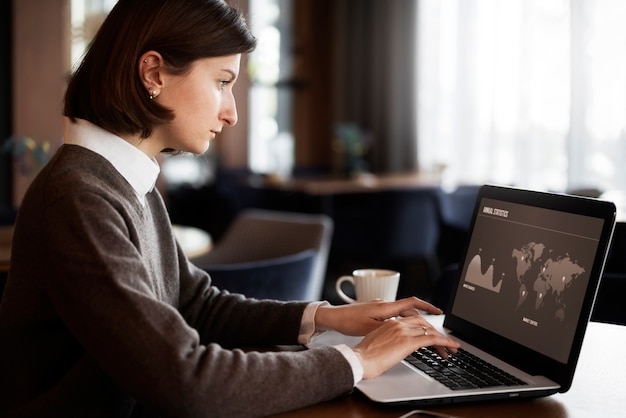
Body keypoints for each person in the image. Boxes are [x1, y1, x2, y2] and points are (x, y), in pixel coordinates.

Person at [0, 0, 460, 416]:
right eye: (222, 82)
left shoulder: (125, 181)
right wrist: (358, 359)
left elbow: (195, 304)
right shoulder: (80, 197)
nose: (231, 112)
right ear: (154, 73)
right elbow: (185, 380)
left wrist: (323, 319)